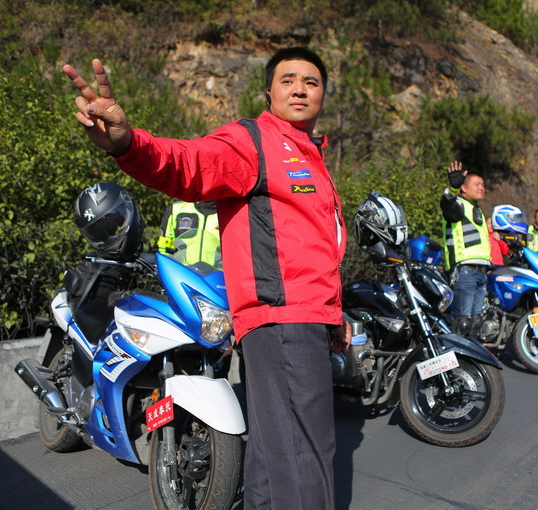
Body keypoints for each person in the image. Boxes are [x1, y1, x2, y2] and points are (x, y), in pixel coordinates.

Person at [63, 47, 350, 510]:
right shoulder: (254, 142)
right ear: (269, 92)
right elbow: (188, 163)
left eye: (311, 82)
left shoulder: (311, 157)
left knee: (273, 454)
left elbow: (312, 253)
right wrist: (128, 144)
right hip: (282, 322)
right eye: (288, 80)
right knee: (304, 456)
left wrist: (335, 316)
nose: (300, 89)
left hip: (301, 320)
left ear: (323, 95)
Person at [440, 161, 491, 336]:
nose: (481, 187)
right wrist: (452, 190)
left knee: (476, 322)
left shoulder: (476, 209)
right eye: (477, 184)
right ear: (464, 187)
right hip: (465, 271)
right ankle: (456, 352)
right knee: (463, 322)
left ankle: (472, 353)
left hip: (481, 271)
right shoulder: (458, 204)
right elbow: (447, 205)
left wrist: (488, 264)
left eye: (483, 184)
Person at [157, 200, 221, 266]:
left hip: (217, 271)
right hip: (180, 270)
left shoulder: (227, 213)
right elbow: (163, 247)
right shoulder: (176, 209)